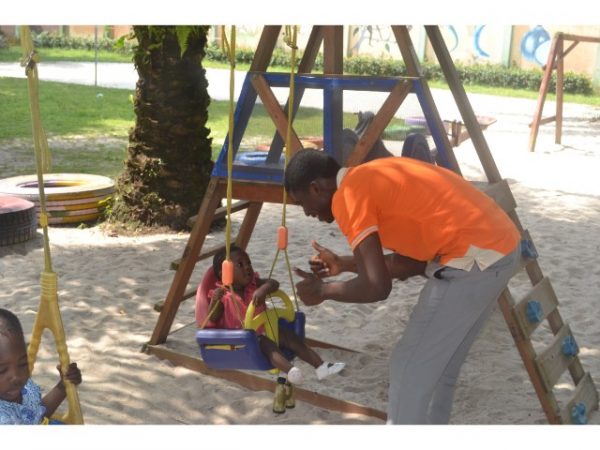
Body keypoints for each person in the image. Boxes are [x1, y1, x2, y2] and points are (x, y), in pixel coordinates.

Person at [284, 149, 521, 424]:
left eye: (302, 203)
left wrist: (324, 291)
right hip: (500, 247)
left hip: (474, 259)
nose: (307, 213)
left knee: (408, 366)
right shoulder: (368, 177)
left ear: (315, 188)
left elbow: (377, 286)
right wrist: (345, 264)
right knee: (440, 366)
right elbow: (411, 263)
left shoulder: (348, 196)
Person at [203, 244, 345, 385]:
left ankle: (321, 366)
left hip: (265, 330)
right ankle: (290, 371)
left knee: (289, 336)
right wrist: (215, 300)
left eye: (248, 263)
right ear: (224, 273)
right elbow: (213, 318)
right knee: (265, 344)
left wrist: (263, 289)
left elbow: (274, 283)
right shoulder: (222, 294)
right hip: (240, 342)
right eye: (240, 264)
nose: (247, 267)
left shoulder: (254, 284)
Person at [0, 308, 82, 425]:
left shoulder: (24, 389)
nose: (16, 376)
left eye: (22, 364)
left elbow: (37, 413)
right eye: (2, 371)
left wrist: (63, 386)